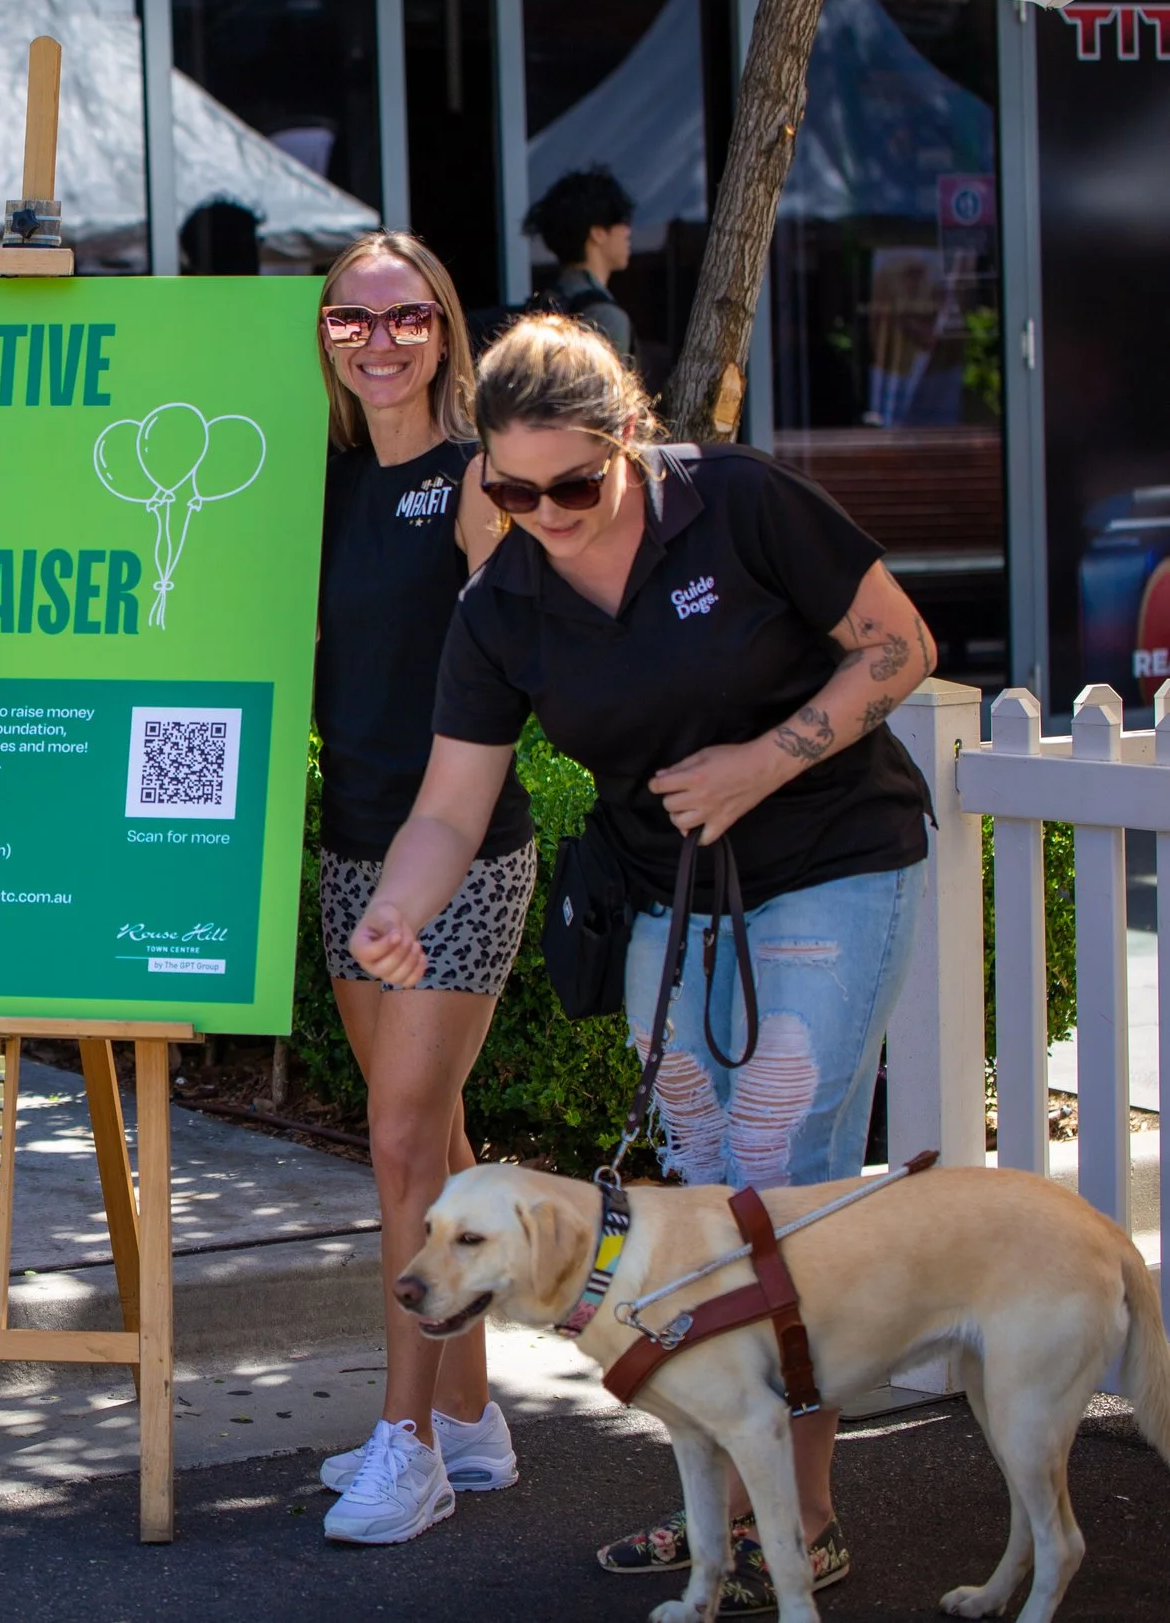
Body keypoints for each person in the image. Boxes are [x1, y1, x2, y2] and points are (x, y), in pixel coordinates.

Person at [349, 314, 937, 1611]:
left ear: (630, 442)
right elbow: (450, 808)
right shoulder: (502, 600)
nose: (544, 513)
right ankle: (736, 1508)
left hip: (834, 858)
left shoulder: (736, 505)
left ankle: (802, 1513)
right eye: (511, 489)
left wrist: (762, 758)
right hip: (667, 894)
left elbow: (899, 642)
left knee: (780, 1182)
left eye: (572, 484)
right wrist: (400, 906)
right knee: (703, 1198)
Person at [308, 230, 535, 1547]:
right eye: (354, 318)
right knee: (433, 1139)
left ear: (444, 332)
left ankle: (407, 1447)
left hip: (464, 856)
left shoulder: (472, 482)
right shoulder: (324, 483)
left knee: (400, 1143)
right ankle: (472, 1418)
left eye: (406, 319)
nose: (380, 340)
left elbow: (519, 663)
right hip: (351, 851)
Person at [522, 167, 635, 358]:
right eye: (621, 221)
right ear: (598, 233)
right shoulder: (606, 318)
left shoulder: (541, 304)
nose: (628, 231)